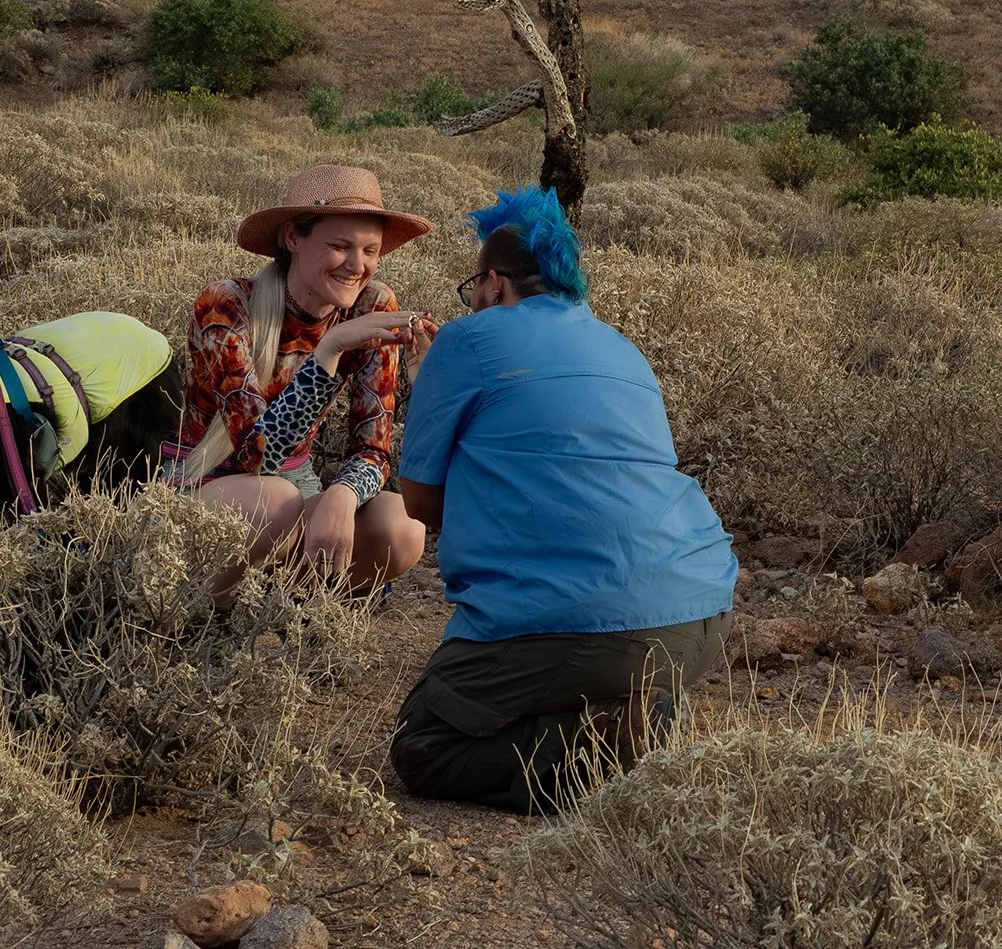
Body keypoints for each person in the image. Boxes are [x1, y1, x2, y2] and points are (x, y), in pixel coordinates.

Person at [390, 185, 737, 812]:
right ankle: (628, 710)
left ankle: (605, 743)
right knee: (570, 674)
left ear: (492, 283)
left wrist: (428, 384)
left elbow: (420, 505)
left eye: (474, 289)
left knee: (425, 743)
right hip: (699, 619)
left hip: (586, 624)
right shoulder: (622, 347)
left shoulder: (468, 339)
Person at [166, 164, 436, 602]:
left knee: (400, 526)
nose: (357, 265)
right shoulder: (227, 304)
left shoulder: (372, 304)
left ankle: (285, 607)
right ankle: (196, 610)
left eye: (371, 250)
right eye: (339, 246)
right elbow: (258, 457)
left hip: (295, 489)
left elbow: (374, 449)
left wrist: (344, 494)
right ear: (293, 238)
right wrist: (328, 351)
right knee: (276, 500)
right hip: (206, 485)